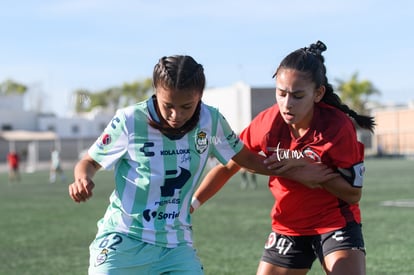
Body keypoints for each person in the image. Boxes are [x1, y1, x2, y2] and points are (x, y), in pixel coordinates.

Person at [67, 55, 325, 274]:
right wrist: (82, 178)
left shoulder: (210, 121)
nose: (175, 115)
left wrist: (296, 166)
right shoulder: (130, 120)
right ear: (156, 91)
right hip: (124, 239)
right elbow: (89, 161)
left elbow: (246, 159)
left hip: (175, 244)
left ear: (200, 96)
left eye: (186, 106)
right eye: (168, 106)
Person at [192, 41, 375, 275]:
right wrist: (192, 205)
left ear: (318, 93)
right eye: (281, 93)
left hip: (335, 223)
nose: (287, 104)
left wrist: (318, 175)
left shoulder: (337, 127)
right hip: (288, 225)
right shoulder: (267, 122)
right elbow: (230, 166)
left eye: (298, 96)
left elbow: (353, 193)